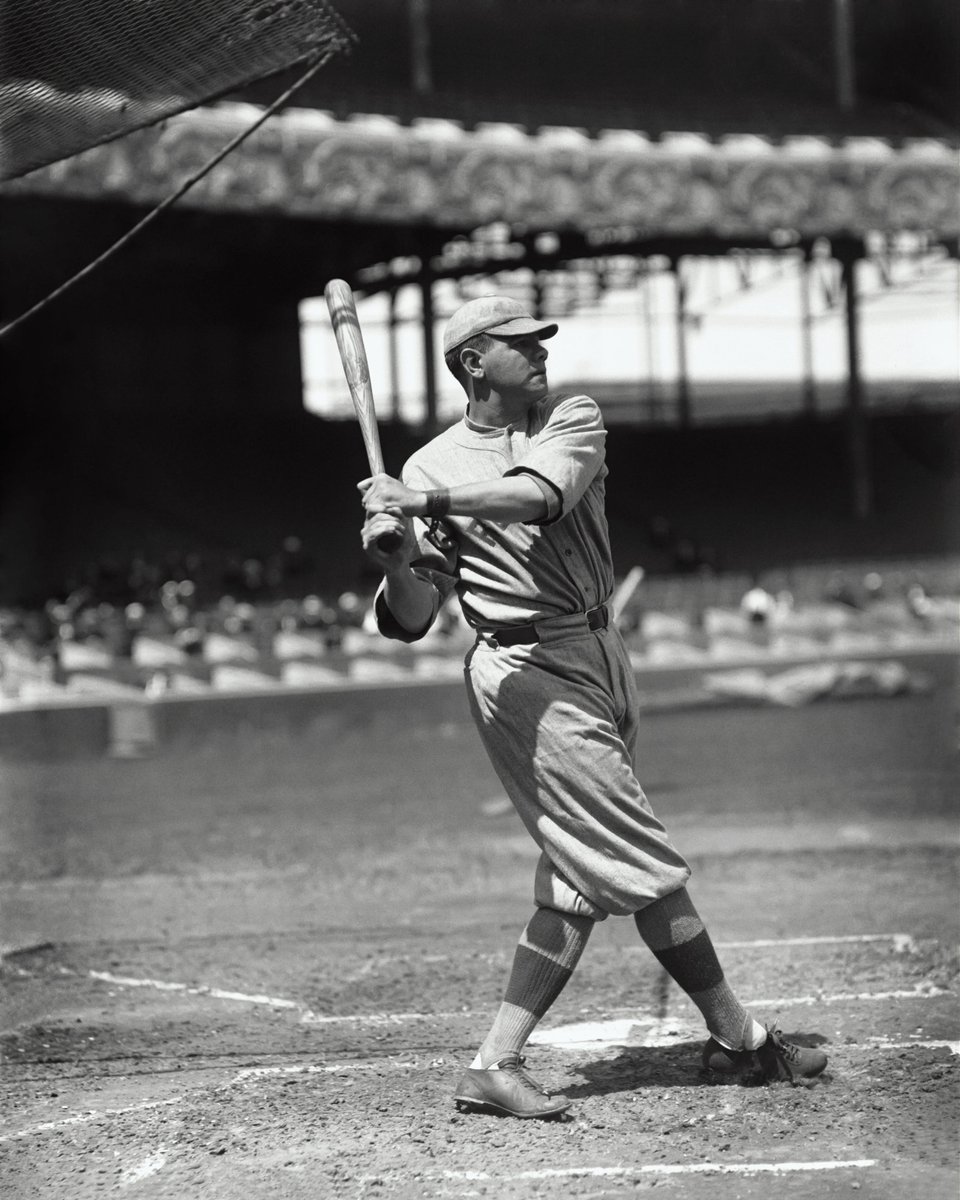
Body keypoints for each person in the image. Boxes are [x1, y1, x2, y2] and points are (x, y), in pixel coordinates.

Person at [358, 295, 827, 1119]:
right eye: (520, 344)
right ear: (473, 362)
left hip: (601, 651)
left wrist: (422, 507)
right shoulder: (427, 467)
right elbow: (409, 619)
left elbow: (541, 496)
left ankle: (494, 1066)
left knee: (580, 876)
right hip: (525, 670)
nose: (541, 352)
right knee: (639, 856)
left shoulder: (568, 419)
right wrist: (396, 556)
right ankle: (742, 1042)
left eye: (541, 341)